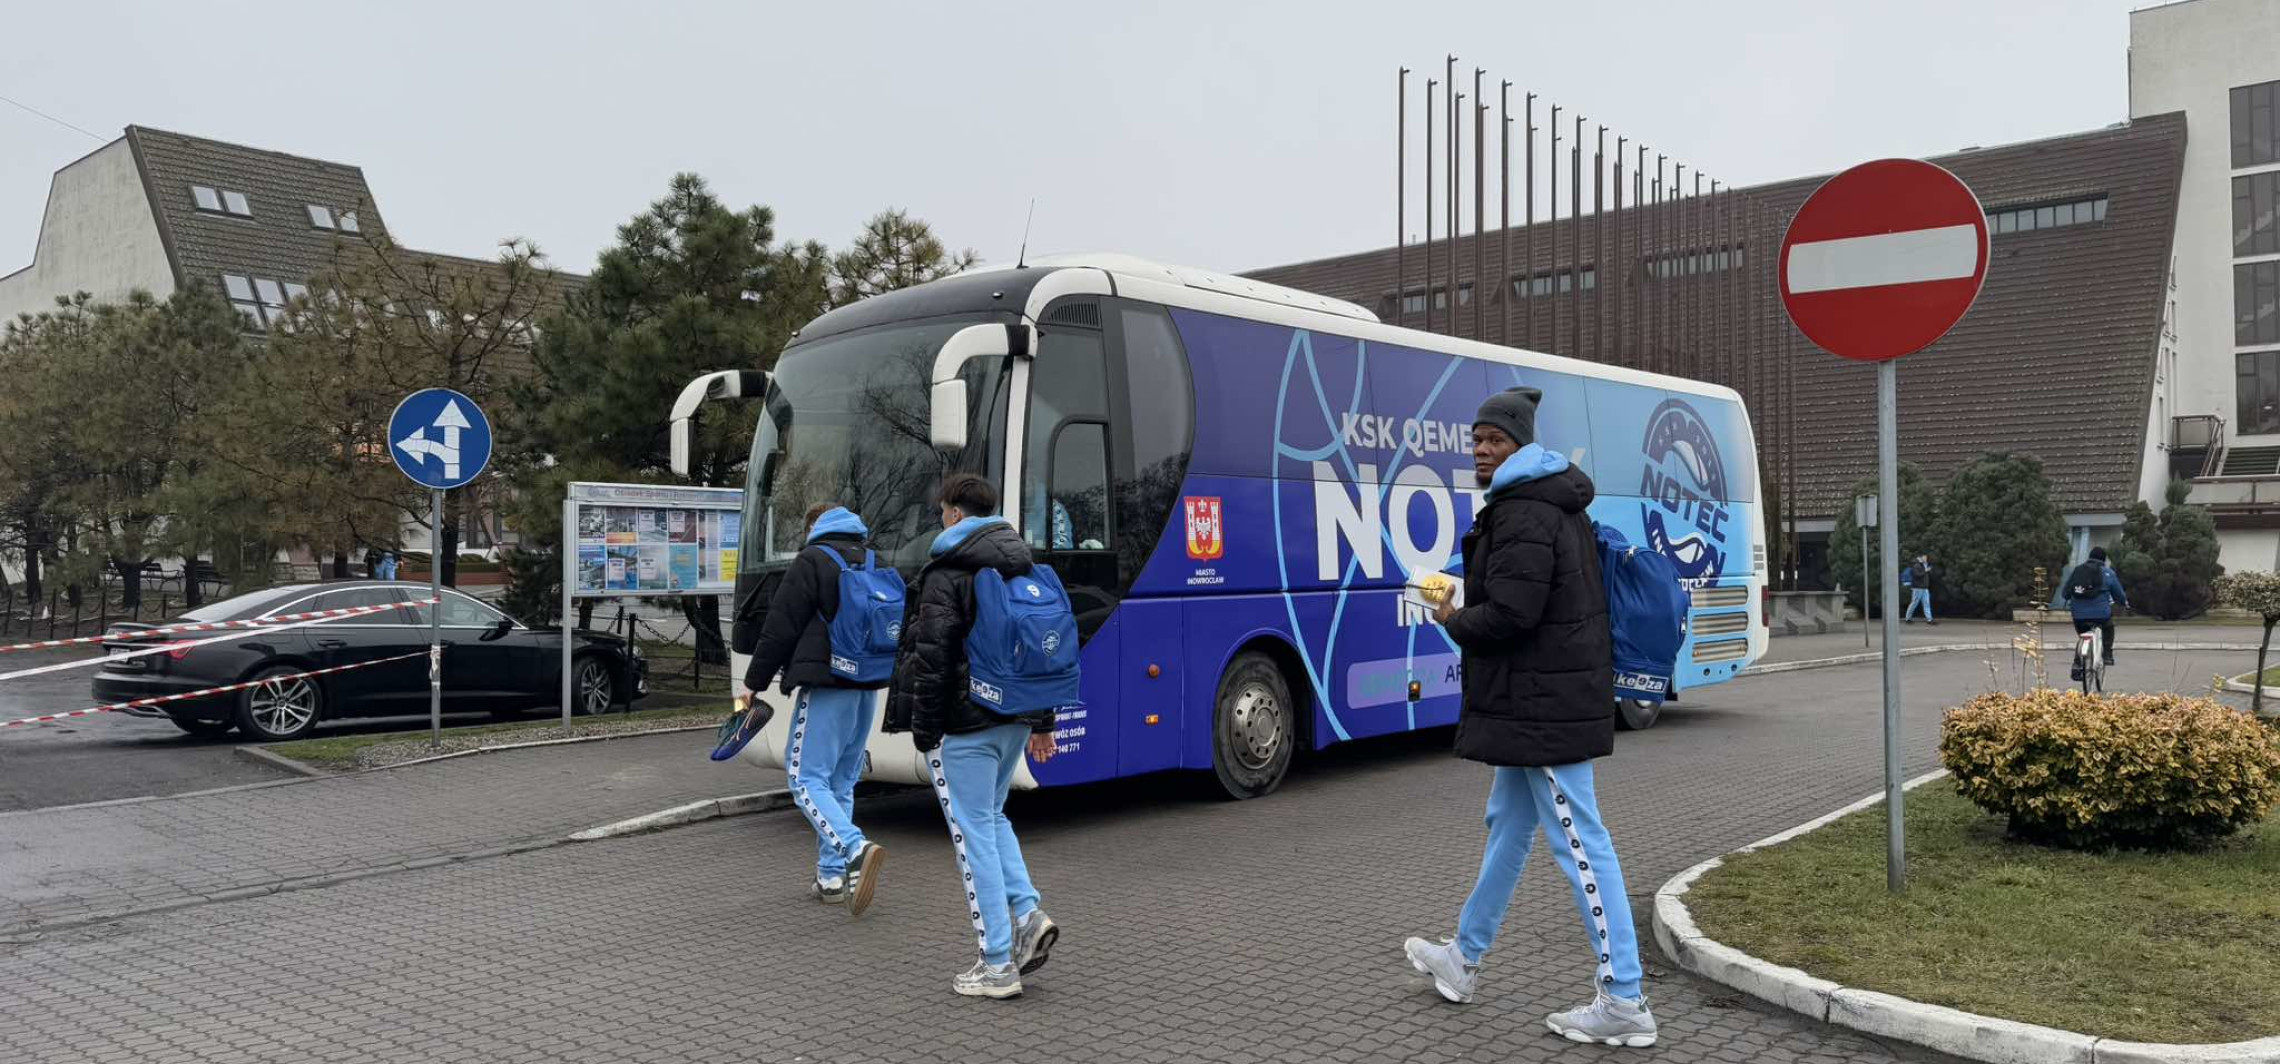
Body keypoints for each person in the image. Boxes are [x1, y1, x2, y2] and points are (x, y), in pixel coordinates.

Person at [1403, 386, 1660, 1048]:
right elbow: (1530, 599)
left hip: (1544, 704)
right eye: (1477, 441)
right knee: (1507, 826)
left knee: (1580, 843)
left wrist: (1451, 616)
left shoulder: (1523, 512)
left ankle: (1624, 998)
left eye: (1495, 441)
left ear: (1520, 446)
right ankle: (1462, 958)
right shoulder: (1545, 501)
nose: (1483, 451)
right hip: (1538, 699)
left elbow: (1512, 616)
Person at [884, 473, 1061, 1000]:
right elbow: (1041, 649)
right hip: (1012, 718)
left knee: (972, 838)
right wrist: (1043, 722)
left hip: (965, 723)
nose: (941, 519)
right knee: (993, 817)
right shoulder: (1021, 562)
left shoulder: (949, 569)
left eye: (942, 511)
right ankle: (1028, 913)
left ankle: (997, 965)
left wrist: (923, 731)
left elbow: (932, 659)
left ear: (955, 514)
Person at [740, 503, 891, 914]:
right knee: (840, 782)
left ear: (814, 528)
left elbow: (780, 624)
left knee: (804, 778)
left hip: (826, 685)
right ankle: (830, 877)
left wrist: (754, 683)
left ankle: (854, 848)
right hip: (866, 687)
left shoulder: (813, 560)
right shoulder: (871, 558)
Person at [2063, 546, 2130, 666]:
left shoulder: (2078, 571)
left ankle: (2077, 664)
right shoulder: (2108, 573)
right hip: (2101, 615)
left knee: (2083, 635)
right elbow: (2118, 594)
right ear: (2104, 560)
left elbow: (2065, 593)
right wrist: (2123, 603)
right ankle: (2108, 655)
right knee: (2108, 627)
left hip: (2078, 616)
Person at [1902, 555, 1937, 626]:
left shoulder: (1924, 565)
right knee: (1914, 602)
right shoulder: (1917, 565)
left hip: (1924, 587)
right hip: (1918, 587)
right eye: (1924, 557)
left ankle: (1929, 619)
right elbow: (1917, 575)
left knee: (1926, 603)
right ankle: (1908, 618)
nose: (1925, 559)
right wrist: (1925, 571)